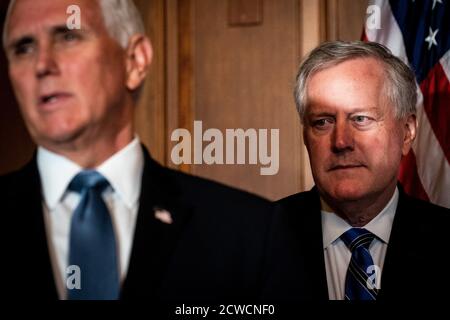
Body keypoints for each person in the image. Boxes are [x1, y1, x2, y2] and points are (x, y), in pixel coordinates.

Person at [0, 0, 275, 301]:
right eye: (23, 48)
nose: (42, 65)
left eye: (68, 37)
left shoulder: (248, 233)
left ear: (135, 60)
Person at [263, 41, 450, 301]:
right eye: (323, 121)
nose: (341, 141)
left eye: (361, 119)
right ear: (306, 137)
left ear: (407, 133)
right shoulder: (256, 242)